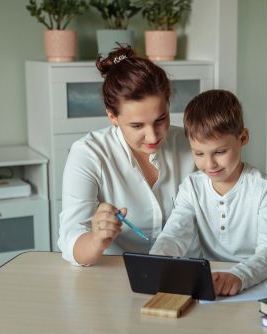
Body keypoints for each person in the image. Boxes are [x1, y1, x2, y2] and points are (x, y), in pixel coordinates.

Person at [150, 89, 267, 296]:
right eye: (199, 153)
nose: (210, 164)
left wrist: (239, 276)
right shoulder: (191, 187)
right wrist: (157, 260)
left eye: (220, 152)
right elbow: (176, 233)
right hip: (221, 277)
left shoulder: (265, 188)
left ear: (243, 138)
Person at [58, 45, 195, 266]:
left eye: (160, 119)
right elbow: (70, 241)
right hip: (116, 276)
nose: (152, 136)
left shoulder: (190, 144)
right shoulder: (88, 154)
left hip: (187, 269)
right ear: (111, 116)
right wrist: (96, 240)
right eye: (137, 125)